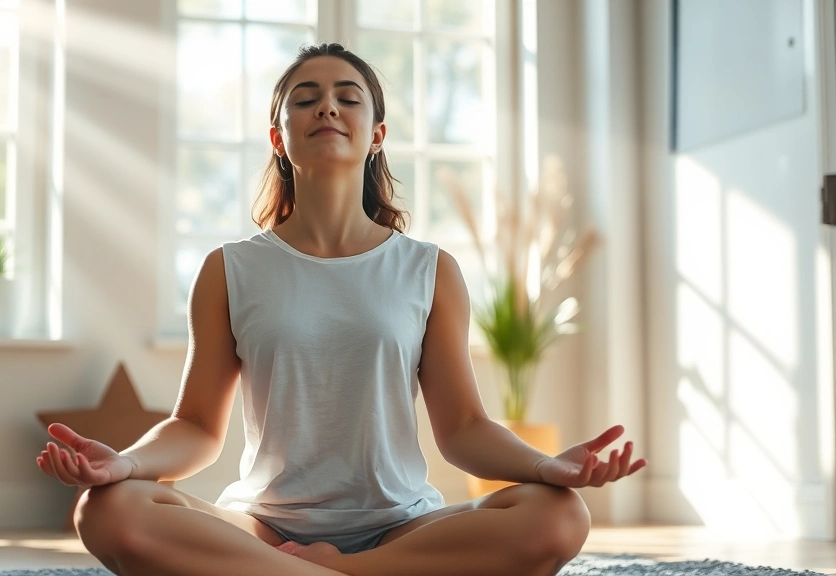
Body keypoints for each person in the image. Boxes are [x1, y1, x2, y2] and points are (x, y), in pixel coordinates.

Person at [36, 42, 646, 576]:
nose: (327, 106)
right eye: (305, 98)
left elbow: (462, 430)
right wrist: (125, 463)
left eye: (348, 97)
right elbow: (195, 427)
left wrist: (547, 467)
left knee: (559, 517)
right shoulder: (231, 269)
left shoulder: (429, 269)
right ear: (279, 137)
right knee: (108, 510)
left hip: (399, 526)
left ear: (377, 133)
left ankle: (341, 571)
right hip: (263, 527)